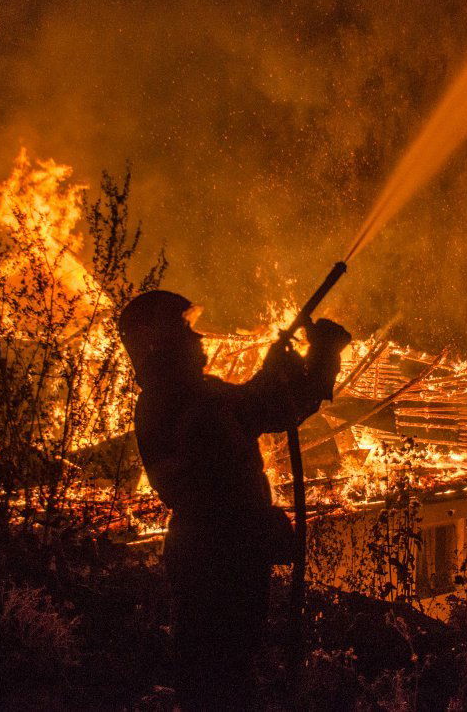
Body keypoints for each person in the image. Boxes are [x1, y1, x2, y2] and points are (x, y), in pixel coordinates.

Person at [117, 290, 351, 710]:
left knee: (228, 675)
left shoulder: (188, 395)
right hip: (215, 563)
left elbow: (260, 407)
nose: (198, 337)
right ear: (160, 342)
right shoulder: (175, 401)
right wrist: (285, 371)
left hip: (219, 559)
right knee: (219, 683)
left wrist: (306, 360)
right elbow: (246, 430)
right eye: (184, 329)